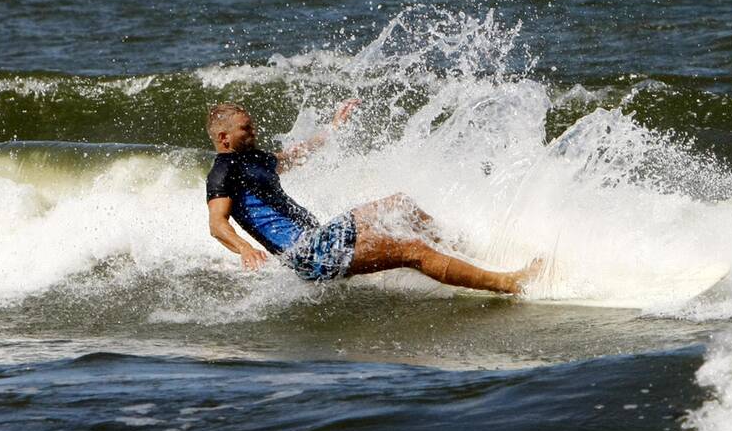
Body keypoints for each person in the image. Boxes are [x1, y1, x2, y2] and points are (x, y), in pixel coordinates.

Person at [205, 102, 538, 294]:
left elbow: (295, 156)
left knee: (400, 204)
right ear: (224, 137)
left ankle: (465, 254)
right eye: (246, 129)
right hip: (309, 254)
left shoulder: (255, 159)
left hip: (321, 236)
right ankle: (507, 283)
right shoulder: (222, 173)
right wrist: (246, 248)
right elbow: (217, 224)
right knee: (412, 250)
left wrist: (333, 128)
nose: (254, 131)